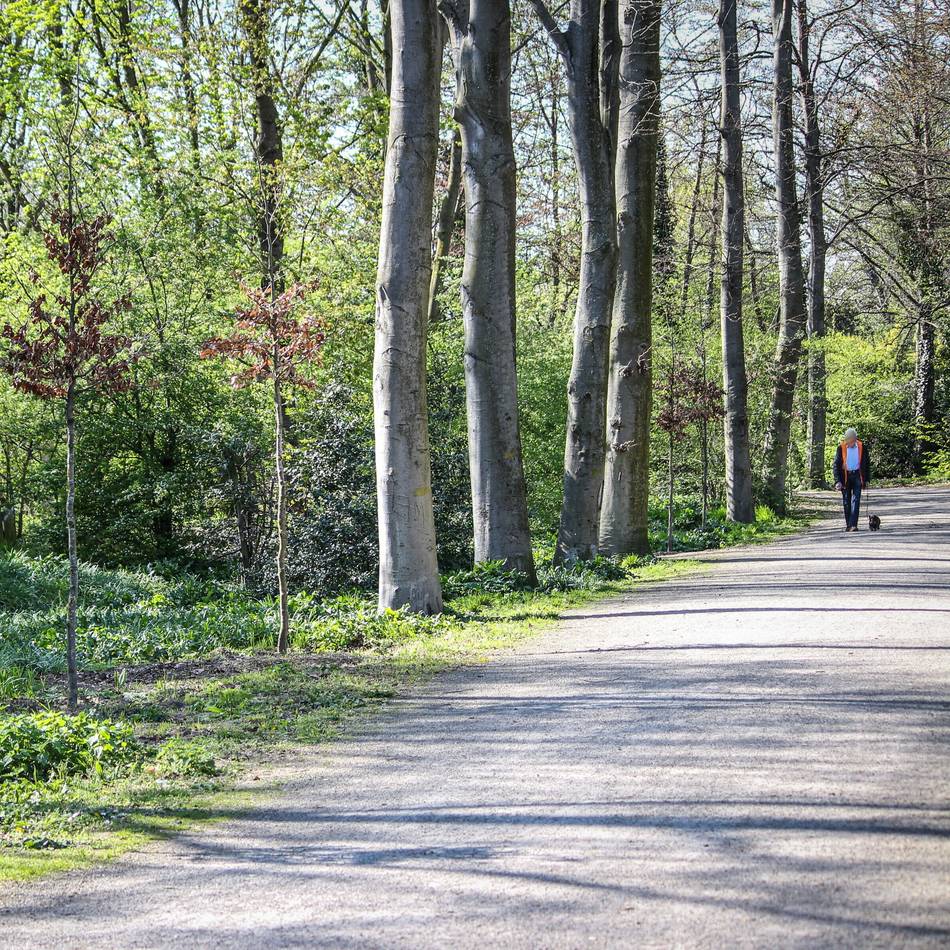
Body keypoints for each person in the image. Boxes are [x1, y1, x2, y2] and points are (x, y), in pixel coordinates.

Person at [833, 428, 870, 532]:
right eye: (847, 442)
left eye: (851, 442)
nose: (848, 444)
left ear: (855, 439)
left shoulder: (862, 447)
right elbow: (836, 465)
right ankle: (849, 524)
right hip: (845, 477)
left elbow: (867, 464)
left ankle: (853, 525)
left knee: (856, 500)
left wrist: (866, 479)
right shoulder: (841, 448)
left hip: (858, 475)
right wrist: (837, 481)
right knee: (846, 501)